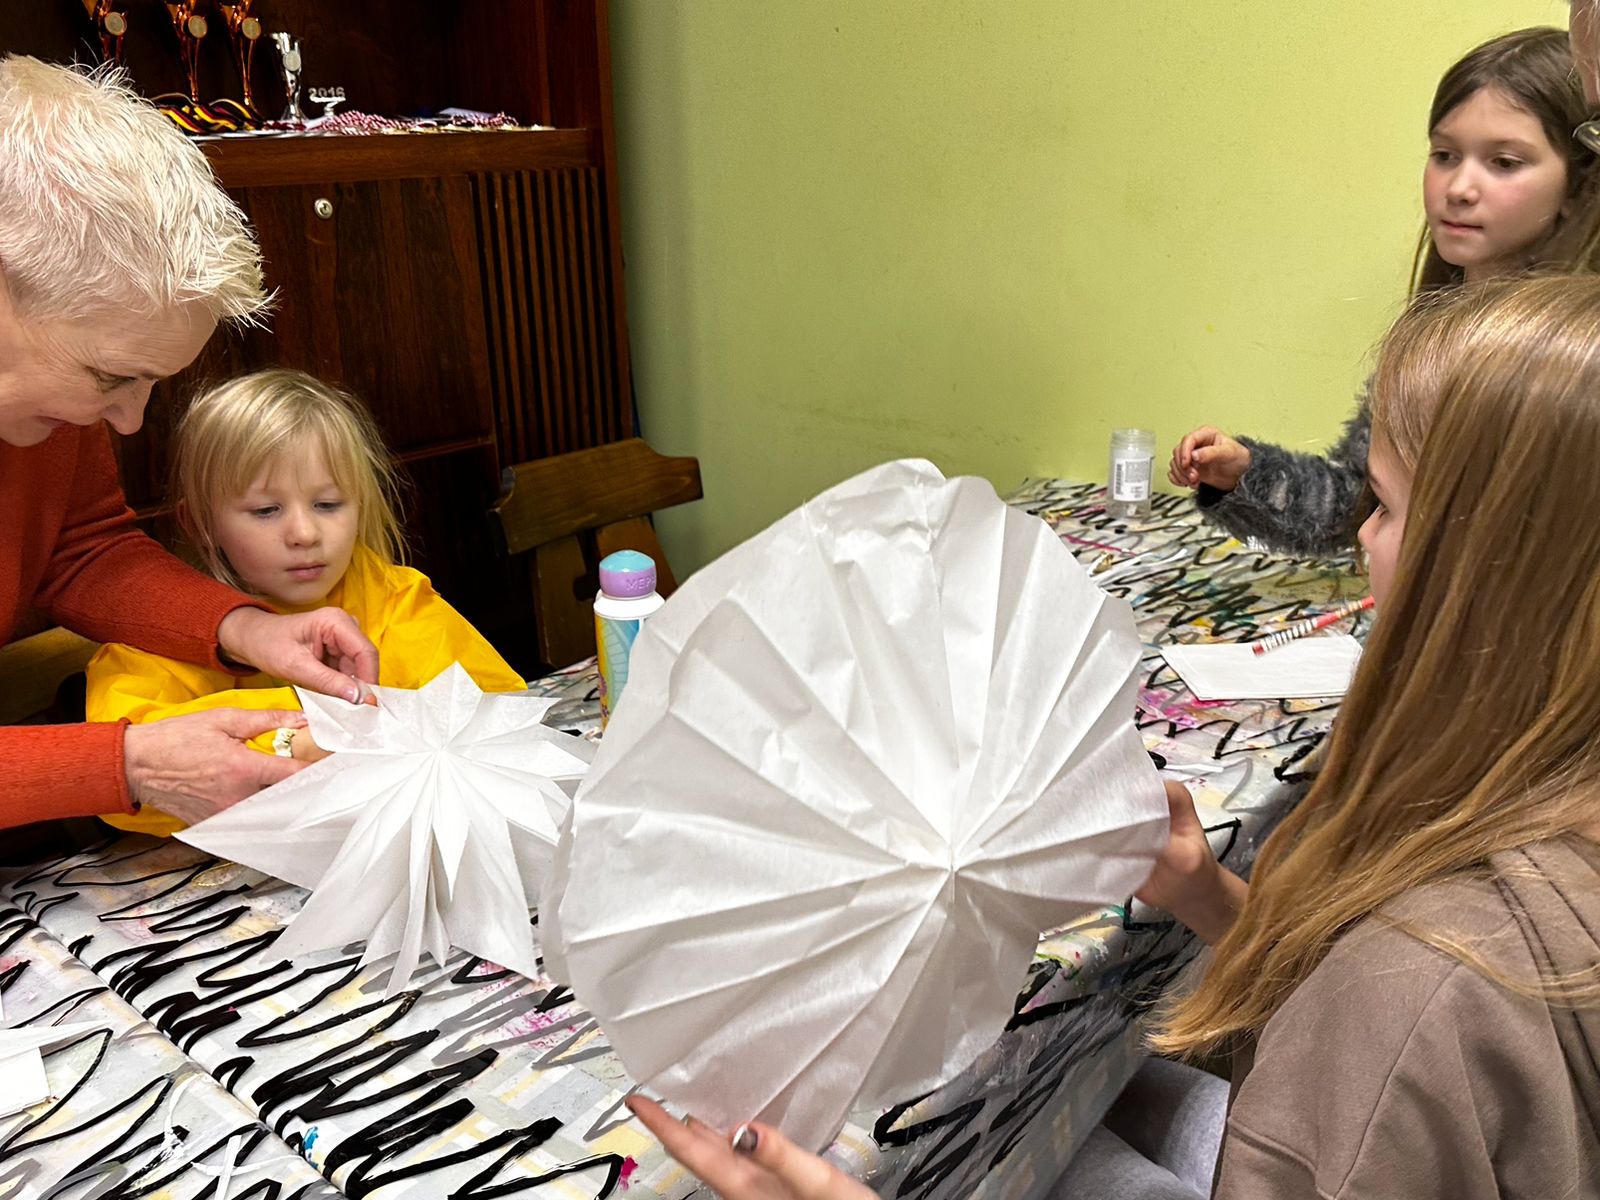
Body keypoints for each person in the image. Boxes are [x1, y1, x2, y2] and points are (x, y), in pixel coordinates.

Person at [632, 275, 1600, 1196]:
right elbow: (1348, 1032)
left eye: (1380, 504)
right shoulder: (1524, 844)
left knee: (1007, 1120)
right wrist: (1206, 893)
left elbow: (1372, 1048)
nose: (1359, 538)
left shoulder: (1420, 991)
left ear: (1485, 571)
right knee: (1071, 1095)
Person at [0, 56, 378, 833]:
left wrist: (248, 629)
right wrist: (130, 765)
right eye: (111, 377)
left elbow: (83, 548)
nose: (128, 421)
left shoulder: (52, 406)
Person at [1167, 28, 1597, 556]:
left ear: (1579, 187)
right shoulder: (1430, 332)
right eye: (1445, 154)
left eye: (1504, 162)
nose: (1459, 188)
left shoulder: (1575, 360)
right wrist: (1245, 474)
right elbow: (1362, 505)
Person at [85, 369, 527, 835]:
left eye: (328, 504)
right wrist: (295, 742)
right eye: (266, 510)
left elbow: (494, 705)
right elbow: (119, 775)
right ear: (200, 524)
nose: (304, 534)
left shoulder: (390, 595)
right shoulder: (158, 626)